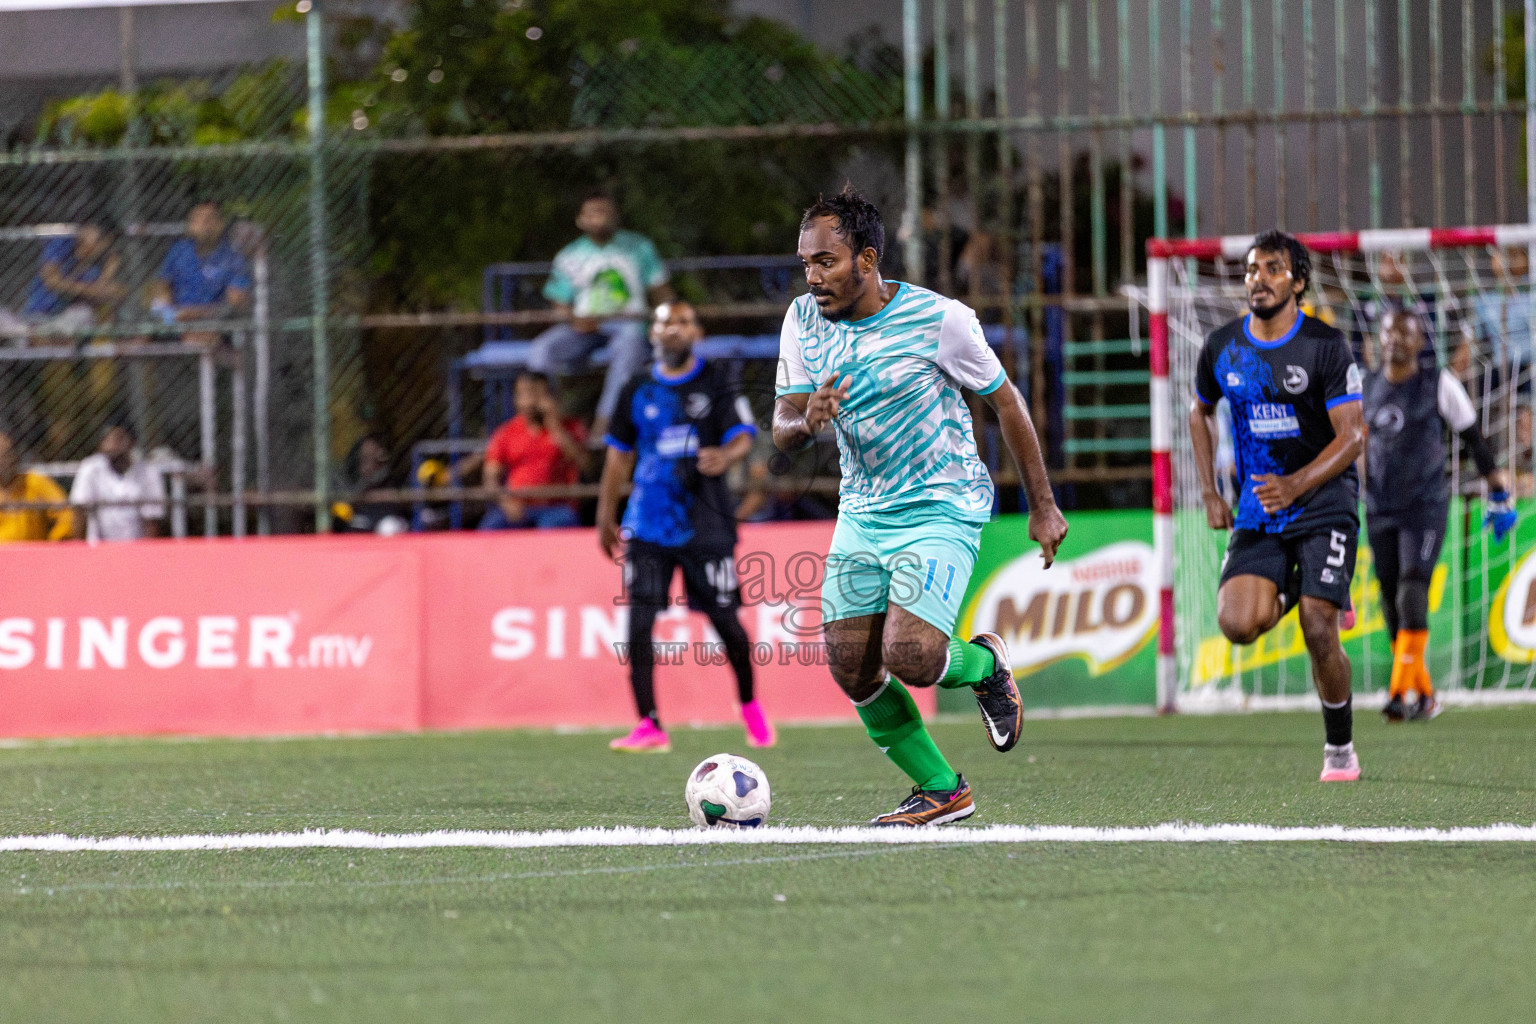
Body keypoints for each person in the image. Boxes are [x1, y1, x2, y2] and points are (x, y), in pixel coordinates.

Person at [773, 186, 1068, 826]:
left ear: (869, 260)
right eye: (806, 263)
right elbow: (782, 423)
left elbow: (1007, 402)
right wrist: (806, 422)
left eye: (826, 261)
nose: (814, 276)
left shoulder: (941, 320)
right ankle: (942, 789)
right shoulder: (802, 321)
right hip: (864, 510)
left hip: (943, 504)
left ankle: (986, 664)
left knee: (911, 656)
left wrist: (1042, 506)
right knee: (851, 668)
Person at [1188, 229, 1367, 783]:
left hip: (1324, 498)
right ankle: (1314, 583)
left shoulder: (1324, 345)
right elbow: (1199, 412)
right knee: (1237, 625)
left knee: (1318, 625)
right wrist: (1210, 492)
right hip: (1258, 508)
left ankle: (1340, 750)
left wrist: (1295, 485)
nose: (1257, 279)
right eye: (1250, 270)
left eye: (1271, 268)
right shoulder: (1222, 346)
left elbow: (1353, 437)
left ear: (1298, 281)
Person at [597, 299, 772, 752]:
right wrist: (605, 513)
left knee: (726, 624)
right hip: (647, 523)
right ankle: (649, 724)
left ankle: (750, 705)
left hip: (705, 522)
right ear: (653, 334)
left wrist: (725, 456)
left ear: (697, 332)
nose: (674, 329)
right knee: (638, 623)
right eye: (665, 322)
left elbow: (743, 436)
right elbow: (618, 453)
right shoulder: (635, 386)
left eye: (684, 322)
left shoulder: (715, 381)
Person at [1363, 306, 1516, 723]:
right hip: (1378, 508)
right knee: (1391, 601)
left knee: (1412, 593)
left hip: (1425, 507)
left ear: (1420, 341)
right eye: (1389, 331)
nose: (1395, 338)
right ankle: (1423, 695)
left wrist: (1500, 491)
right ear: (1379, 337)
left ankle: (1398, 691)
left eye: (1405, 333)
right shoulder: (1366, 386)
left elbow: (1473, 440)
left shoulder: (1439, 384)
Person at [530, 193, 673, 440]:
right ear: (581, 220)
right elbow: (558, 301)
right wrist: (574, 319)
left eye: (604, 211)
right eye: (592, 212)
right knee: (540, 351)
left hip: (628, 324)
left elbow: (662, 293)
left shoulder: (639, 247)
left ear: (616, 216)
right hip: (583, 326)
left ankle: (605, 424)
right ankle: (550, 418)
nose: (599, 218)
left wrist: (667, 322)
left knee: (628, 351)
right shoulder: (570, 255)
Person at [480, 371, 588, 530]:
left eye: (536, 394)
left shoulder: (571, 427)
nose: (529, 401)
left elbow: (584, 463)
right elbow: (490, 478)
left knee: (553, 528)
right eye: (523, 394)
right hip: (518, 505)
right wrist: (506, 502)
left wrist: (555, 426)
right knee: (490, 529)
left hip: (558, 507)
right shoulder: (506, 432)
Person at [0, 218, 126, 343]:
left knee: (84, 314)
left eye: (102, 241)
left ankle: (43, 343)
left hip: (59, 323)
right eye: (86, 228)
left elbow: (115, 292)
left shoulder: (95, 268)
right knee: (3, 317)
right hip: (32, 318)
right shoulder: (63, 243)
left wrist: (111, 265)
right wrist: (88, 289)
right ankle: (36, 340)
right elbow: (51, 281)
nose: (84, 234)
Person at [150, 200, 251, 345]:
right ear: (190, 226)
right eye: (197, 219)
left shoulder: (233, 257)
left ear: (220, 224)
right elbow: (161, 286)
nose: (203, 225)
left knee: (204, 340)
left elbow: (234, 303)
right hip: (176, 323)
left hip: (216, 325)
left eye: (209, 219)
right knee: (138, 341)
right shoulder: (179, 250)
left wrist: (193, 314)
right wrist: (168, 315)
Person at [69, 422, 166, 542]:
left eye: (118, 438)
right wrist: (80, 551)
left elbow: (152, 521)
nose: (112, 444)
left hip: (136, 548)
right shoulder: (90, 468)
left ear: (132, 441)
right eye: (107, 439)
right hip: (98, 549)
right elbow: (79, 511)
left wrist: (147, 555)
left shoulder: (148, 472)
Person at [0, 429, 73, 543]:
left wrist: (53, 544)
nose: (3, 462)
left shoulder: (34, 481)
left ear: (15, 456)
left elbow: (67, 514)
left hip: (32, 555)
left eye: (6, 455)